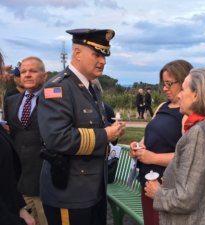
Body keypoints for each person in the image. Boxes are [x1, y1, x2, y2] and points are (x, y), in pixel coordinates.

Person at [37, 28, 125, 225]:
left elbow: (92, 124)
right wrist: (105, 135)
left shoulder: (91, 87)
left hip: (93, 189)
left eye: (104, 55)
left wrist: (113, 130)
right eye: (97, 54)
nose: (103, 61)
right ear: (77, 53)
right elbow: (57, 138)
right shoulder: (57, 88)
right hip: (69, 193)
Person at [144, 68, 205, 225]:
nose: (179, 95)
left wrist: (157, 193)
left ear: (196, 95)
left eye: (183, 89)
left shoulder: (199, 133)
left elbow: (185, 199)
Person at [129, 59, 193, 225]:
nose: (165, 88)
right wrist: (139, 146)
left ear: (184, 81)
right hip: (148, 184)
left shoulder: (187, 115)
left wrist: (153, 158)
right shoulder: (162, 106)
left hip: (167, 188)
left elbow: (189, 157)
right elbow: (150, 136)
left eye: (169, 83)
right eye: (163, 83)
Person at [4, 56, 48, 225]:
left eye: (33, 71)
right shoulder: (11, 101)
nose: (27, 75)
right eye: (23, 71)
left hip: (44, 181)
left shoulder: (55, 101)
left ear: (44, 76)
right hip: (19, 182)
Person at [0, 51, 35, 225]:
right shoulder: (11, 99)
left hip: (35, 182)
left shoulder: (51, 99)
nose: (4, 76)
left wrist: (19, 207)